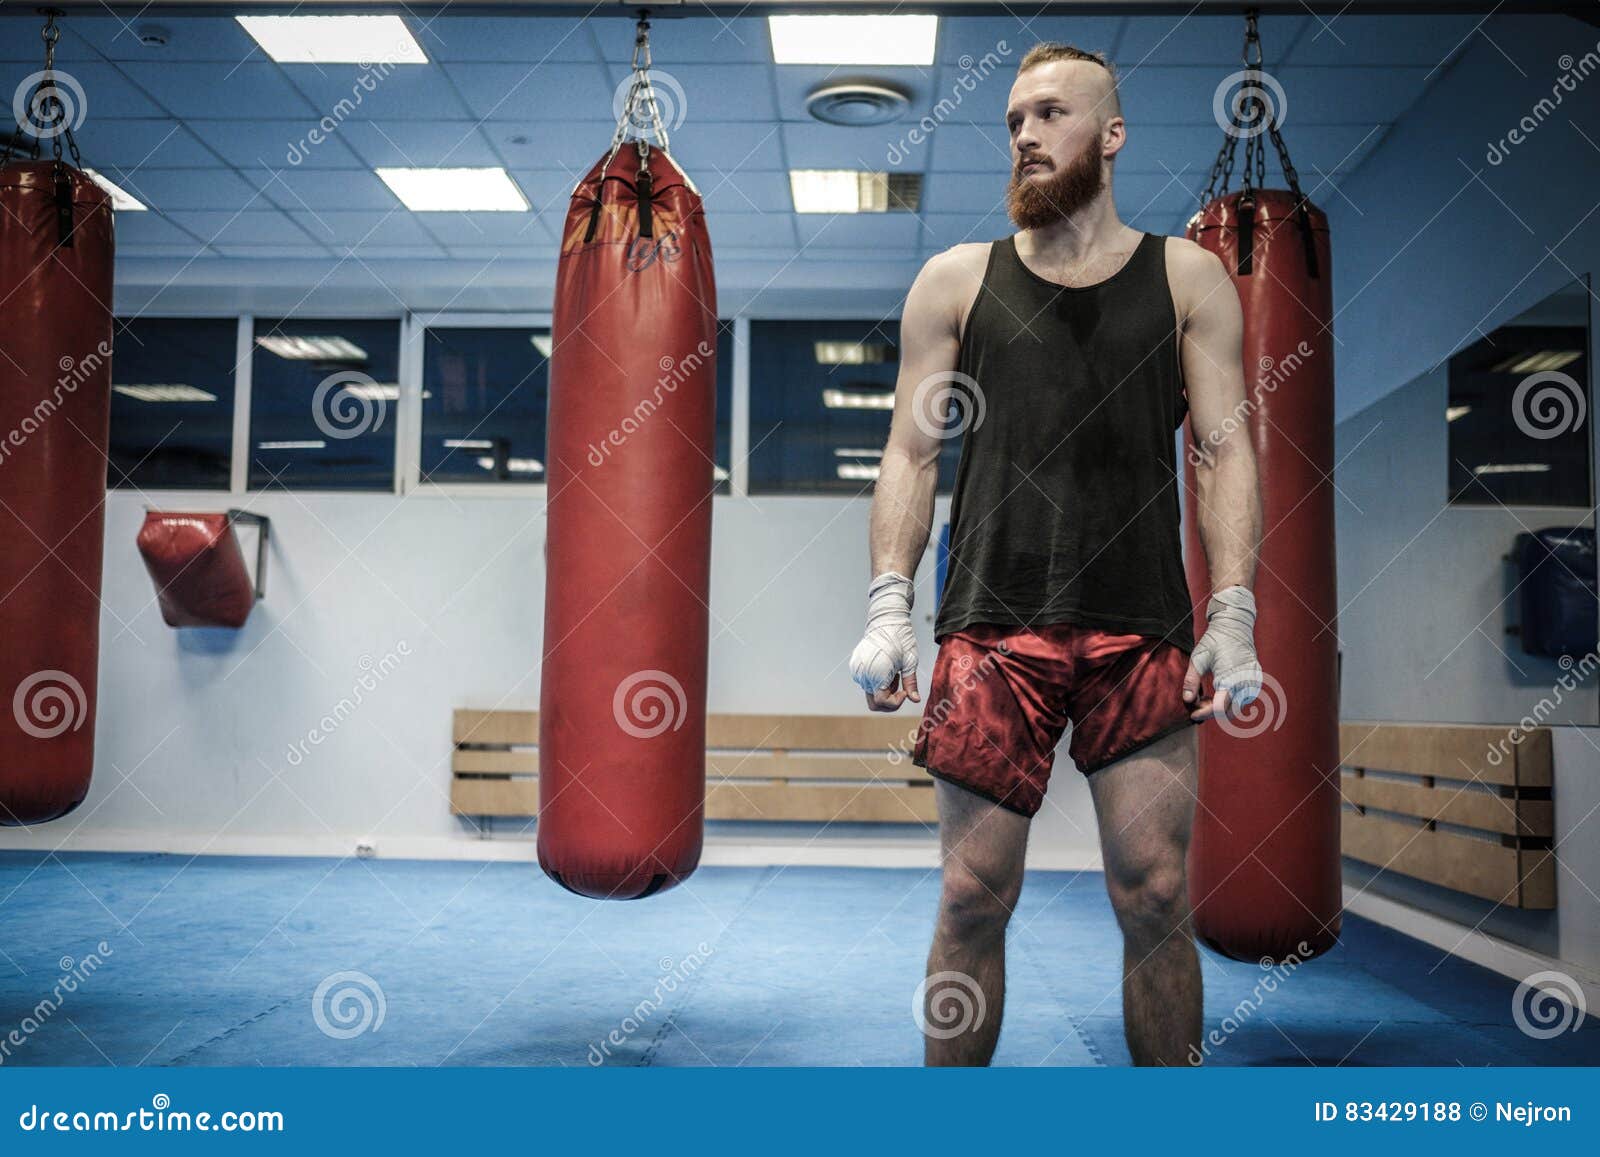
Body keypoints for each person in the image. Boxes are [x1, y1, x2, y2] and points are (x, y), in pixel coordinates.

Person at [848, 42, 1264, 1067]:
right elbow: (910, 451)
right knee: (970, 894)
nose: (1025, 136)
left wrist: (1233, 613)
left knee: (1154, 892)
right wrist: (890, 604)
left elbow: (1223, 450)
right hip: (991, 623)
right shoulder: (955, 281)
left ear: (1111, 135)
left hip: (1141, 625)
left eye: (1049, 115)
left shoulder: (1187, 277)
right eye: (1012, 121)